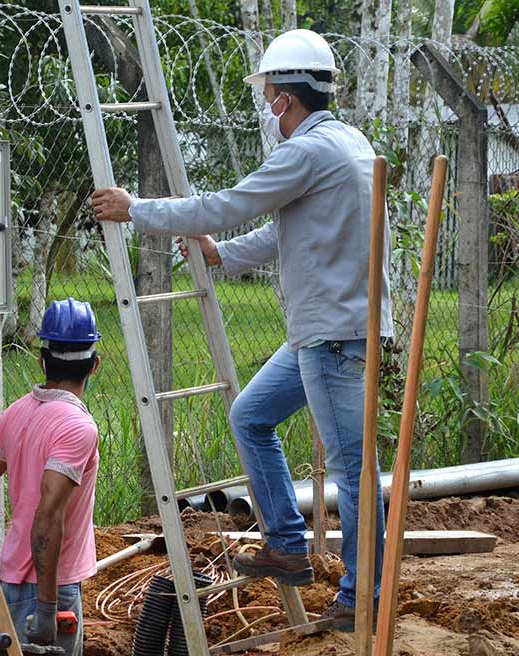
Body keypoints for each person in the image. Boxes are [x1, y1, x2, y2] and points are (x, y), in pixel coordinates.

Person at [90, 29, 391, 631]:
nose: (267, 106)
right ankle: (287, 543)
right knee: (251, 415)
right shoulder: (345, 142)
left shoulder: (306, 153)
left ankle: (365, 598)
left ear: (285, 98)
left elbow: (226, 205)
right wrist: (221, 255)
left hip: (334, 336)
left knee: (354, 471)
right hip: (326, 331)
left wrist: (135, 209)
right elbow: (285, 230)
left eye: (269, 94)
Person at [0, 298, 102, 655]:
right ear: (95, 365)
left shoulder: (16, 413)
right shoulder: (78, 427)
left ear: (42, 361)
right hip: (49, 587)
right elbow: (48, 516)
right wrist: (47, 608)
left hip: (13, 581)